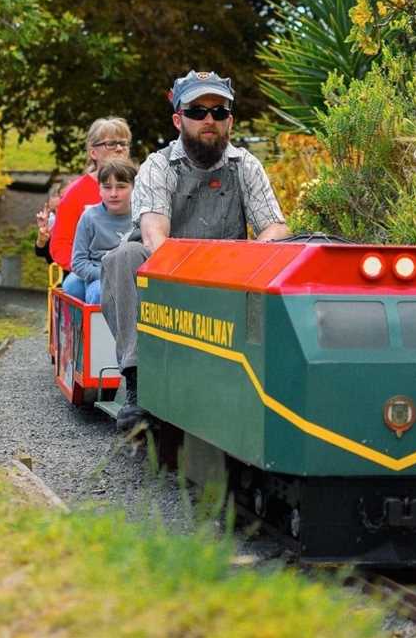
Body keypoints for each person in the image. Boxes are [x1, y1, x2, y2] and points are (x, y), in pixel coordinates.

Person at [101, 70, 291, 430]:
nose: (209, 120)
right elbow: (155, 235)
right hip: (167, 278)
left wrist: (252, 255)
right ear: (178, 119)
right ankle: (139, 382)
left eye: (219, 112)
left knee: (282, 256)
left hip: (228, 274)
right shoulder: (158, 166)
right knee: (124, 256)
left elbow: (276, 226)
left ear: (230, 121)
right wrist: (194, 282)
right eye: (198, 111)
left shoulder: (245, 165)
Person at [49, 117, 132, 271]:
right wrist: (85, 270)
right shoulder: (75, 193)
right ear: (93, 152)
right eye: (111, 144)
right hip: (89, 273)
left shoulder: (142, 187)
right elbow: (60, 244)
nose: (119, 148)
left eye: (124, 143)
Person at [62, 159, 137, 303]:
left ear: (134, 187)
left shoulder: (143, 217)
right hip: (98, 274)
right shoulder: (89, 217)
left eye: (121, 187)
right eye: (107, 187)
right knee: (94, 292)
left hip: (131, 277)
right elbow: (78, 262)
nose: (113, 194)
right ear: (99, 189)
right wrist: (107, 275)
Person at [34, 182, 60, 265]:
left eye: (60, 209)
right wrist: (41, 239)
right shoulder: (51, 223)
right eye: (53, 211)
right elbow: (40, 252)